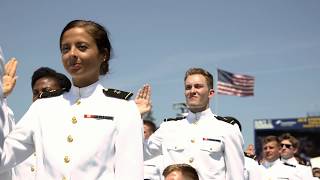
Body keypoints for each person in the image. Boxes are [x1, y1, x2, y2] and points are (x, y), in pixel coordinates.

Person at [0, 19, 144, 180]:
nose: (72, 54)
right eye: (65, 48)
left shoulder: (123, 108)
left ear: (103, 54)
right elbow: (4, 158)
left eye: (81, 47)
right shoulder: (42, 108)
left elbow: (130, 173)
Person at [143, 67, 244, 180]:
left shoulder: (228, 129)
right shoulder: (168, 128)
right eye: (188, 87)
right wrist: (137, 116)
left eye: (198, 86)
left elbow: (236, 176)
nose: (192, 91)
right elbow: (139, 152)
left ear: (210, 93)